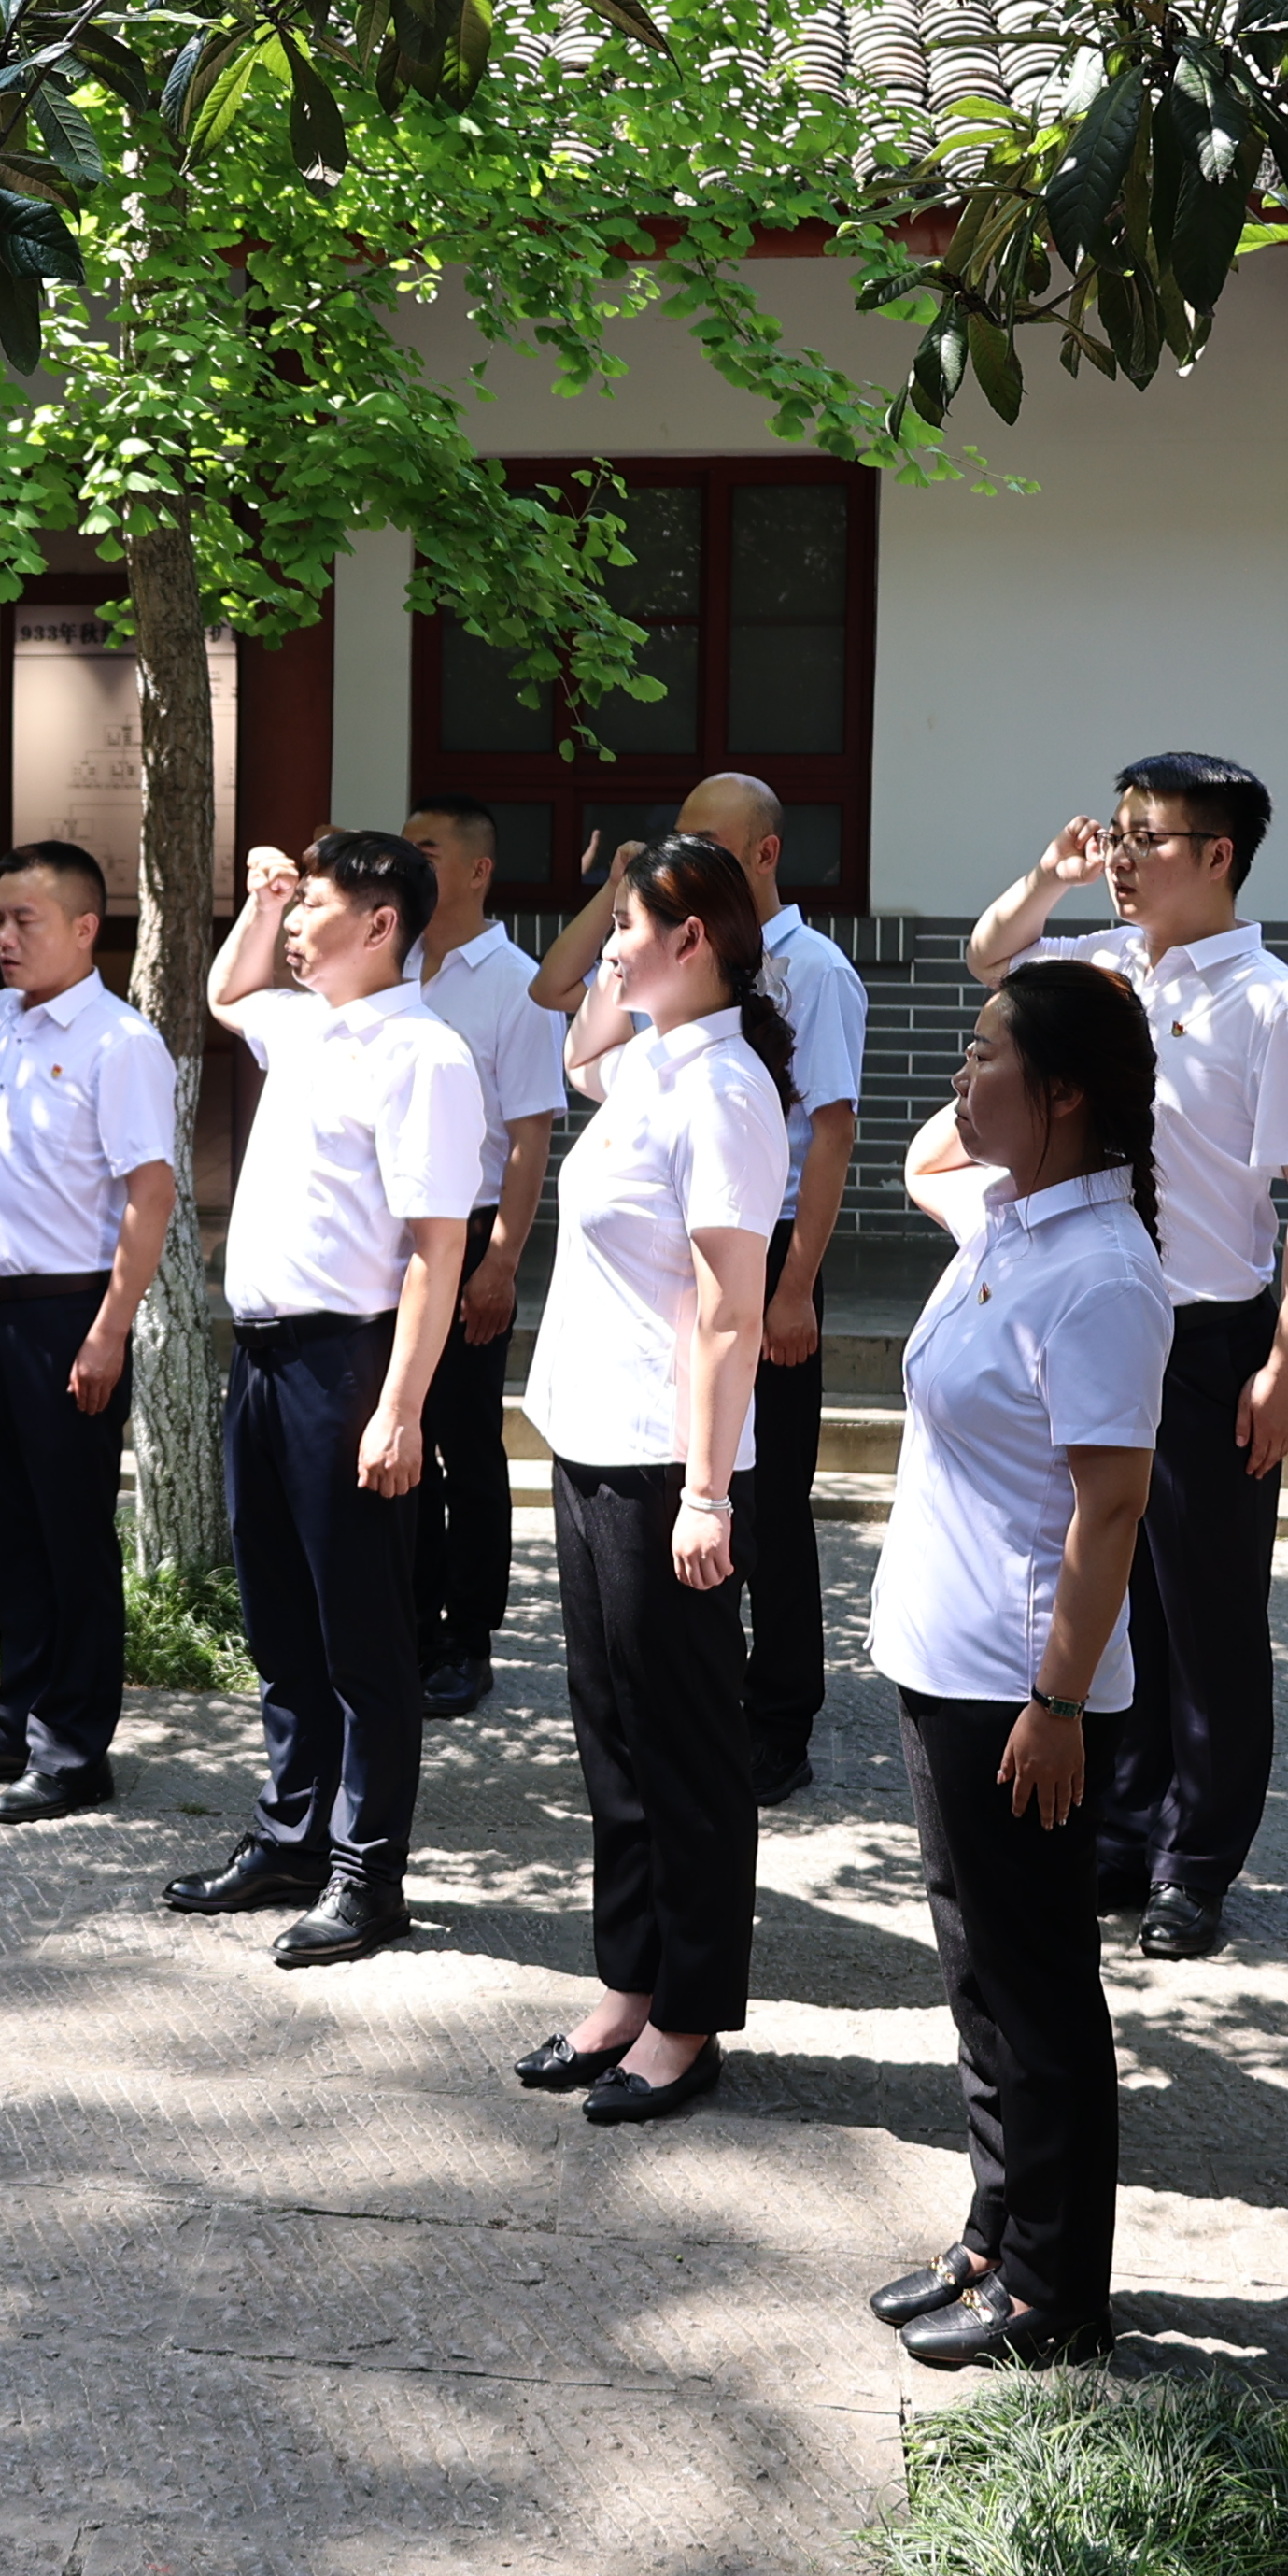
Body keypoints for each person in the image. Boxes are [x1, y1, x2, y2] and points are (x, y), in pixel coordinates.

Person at [942, 751, 1288, 1959]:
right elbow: (987, 958)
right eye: (1114, 833)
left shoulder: (1274, 1006)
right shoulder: (1101, 968)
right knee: (1110, 1593)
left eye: (1147, 838)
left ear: (1219, 855)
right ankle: (1119, 1833)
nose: (1120, 857)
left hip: (1213, 1336)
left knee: (1212, 1613)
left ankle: (1196, 1861)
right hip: (1099, 1318)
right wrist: (1050, 877)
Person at [866, 961, 1168, 2370]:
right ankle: (998, 2230)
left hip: (1017, 1686)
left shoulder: (1102, 1271)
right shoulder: (1010, 1222)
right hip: (949, 1658)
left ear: (1066, 1096)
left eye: (986, 1056)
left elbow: (1112, 1509)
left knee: (1038, 1987)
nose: (958, 1078)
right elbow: (942, 1144)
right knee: (979, 1975)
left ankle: (1057, 2293)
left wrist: (1058, 1703)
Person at [162, 832, 488, 1965]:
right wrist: (258, 903)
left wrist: (402, 1405)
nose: (295, 926)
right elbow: (225, 990)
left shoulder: (425, 1055)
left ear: (383, 922)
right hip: (261, 1361)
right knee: (280, 1620)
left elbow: (435, 1251)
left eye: (314, 907)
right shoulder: (302, 1024)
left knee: (363, 1637)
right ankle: (293, 1834)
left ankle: (367, 1871)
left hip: (347, 1367)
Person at [512, 833, 793, 2126]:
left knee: (682, 1747)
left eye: (631, 923)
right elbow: (566, 1033)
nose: (609, 943)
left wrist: (706, 1490)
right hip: (591, 1441)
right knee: (610, 1734)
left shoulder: (724, 1090)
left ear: (694, 942)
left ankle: (687, 2016)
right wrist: (604, 899)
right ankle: (627, 1980)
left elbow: (732, 1311)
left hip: (661, 1464)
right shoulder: (643, 1059)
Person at [537, 776, 863, 1798]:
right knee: (621, 1709)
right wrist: (619, 932)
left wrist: (795, 1283)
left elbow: (835, 1135)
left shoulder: (788, 1001)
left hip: (751, 1261)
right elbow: (576, 1038)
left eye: (699, 847)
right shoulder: (661, 1042)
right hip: (662, 1326)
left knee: (767, 1510)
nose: (681, 852)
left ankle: (781, 1714)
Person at [0, 843, 179, 1823]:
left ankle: (73, 1750)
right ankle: (17, 1717)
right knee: (9, 1535)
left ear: (87, 929)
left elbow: (151, 1193)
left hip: (67, 1316)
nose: (5, 939)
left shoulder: (118, 1040)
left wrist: (109, 1329)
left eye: (26, 922)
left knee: (71, 1540)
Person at [397, 797, 572, 1717]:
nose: (408, 862)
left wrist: (500, 1261)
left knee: (465, 1440)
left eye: (426, 849)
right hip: (386, 1239)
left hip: (464, 1238)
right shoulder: (389, 968)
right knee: (400, 1432)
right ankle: (410, 1620)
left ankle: (468, 1638)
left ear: (476, 870)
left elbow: (530, 1137)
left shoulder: (515, 983)